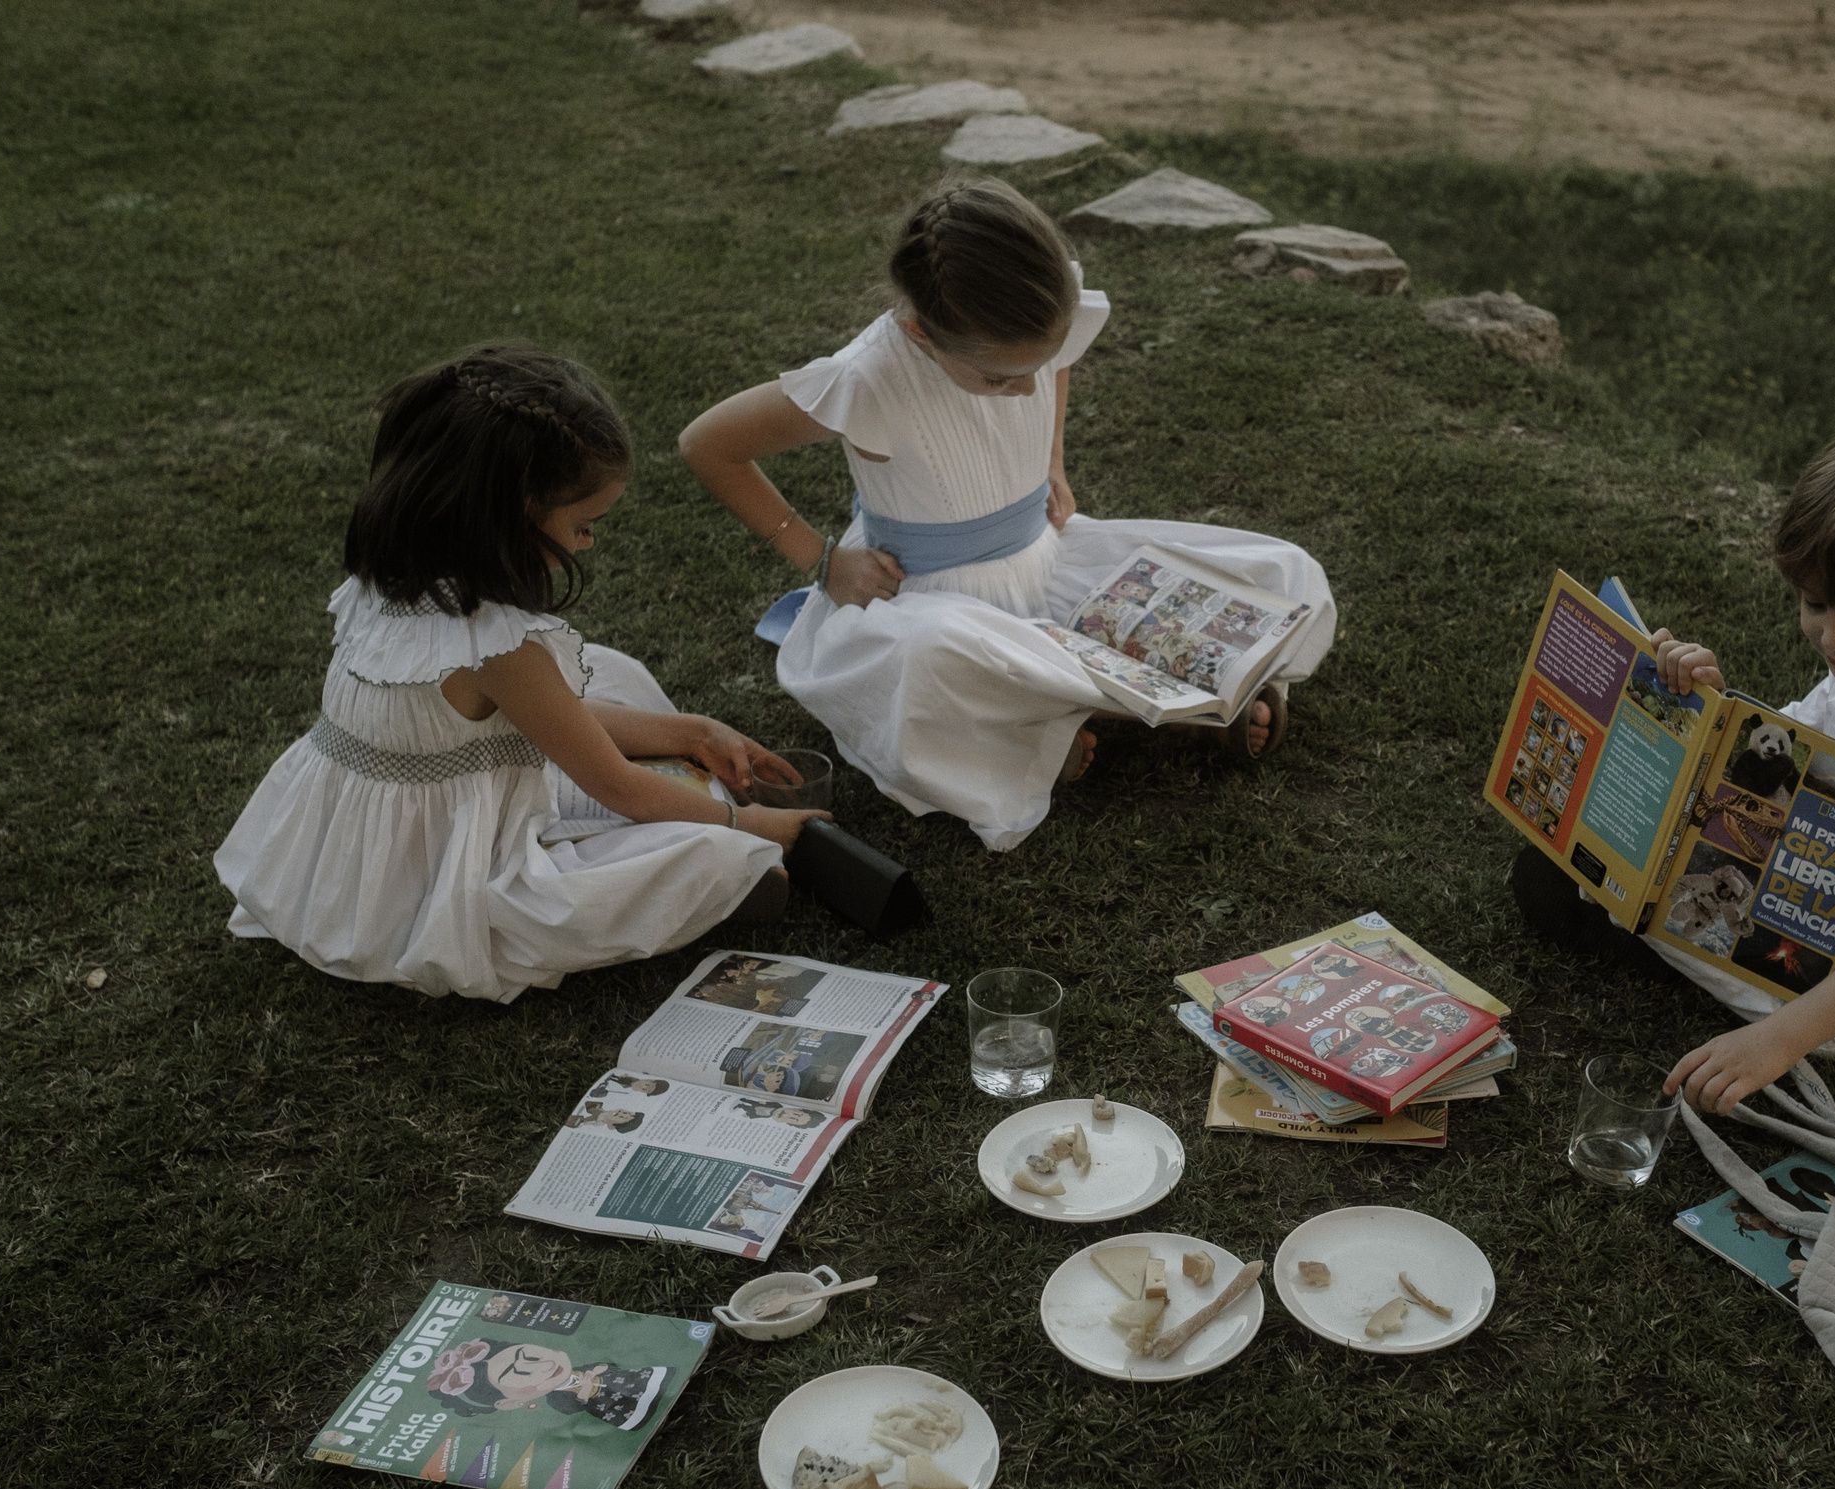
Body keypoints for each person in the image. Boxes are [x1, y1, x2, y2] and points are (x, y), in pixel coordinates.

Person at [679, 176, 1337, 850]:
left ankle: (1106, 715)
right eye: (999, 379)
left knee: (1283, 569)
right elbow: (708, 445)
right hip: (936, 598)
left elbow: (1054, 365)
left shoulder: (1041, 306)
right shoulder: (871, 376)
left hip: (1045, 558)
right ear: (923, 335)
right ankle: (1085, 727)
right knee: (932, 661)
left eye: (1037, 362)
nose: (1023, 386)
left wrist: (1050, 461)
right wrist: (821, 560)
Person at [216, 345, 828, 1003]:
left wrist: (692, 731)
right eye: (582, 524)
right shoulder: (497, 643)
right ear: (514, 515)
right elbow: (619, 786)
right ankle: (734, 877)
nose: (589, 543)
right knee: (708, 854)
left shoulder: (391, 580)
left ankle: (710, 841)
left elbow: (541, 718)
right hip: (436, 878)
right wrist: (752, 828)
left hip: (347, 858)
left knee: (611, 674)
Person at [1514, 413, 1835, 1112]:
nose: (1833, 635)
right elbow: (1804, 751)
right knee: (1567, 868)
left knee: (1556, 890)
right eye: (1815, 602)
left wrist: (1775, 1040)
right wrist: (1704, 708)